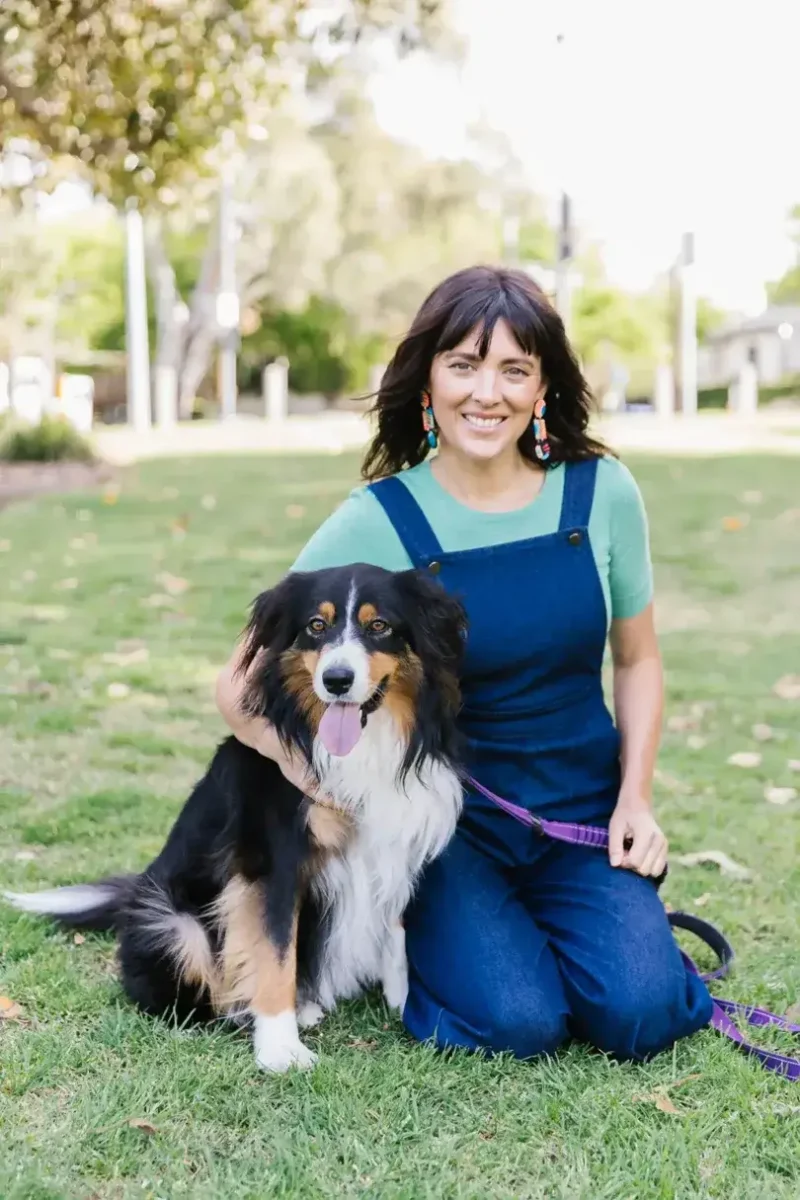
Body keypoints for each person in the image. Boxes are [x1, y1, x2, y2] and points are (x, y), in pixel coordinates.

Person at [216, 265, 713, 1061]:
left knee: (644, 1013)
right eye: (464, 365)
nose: (489, 394)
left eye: (515, 369)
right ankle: (442, 938)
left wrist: (637, 800)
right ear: (428, 379)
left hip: (580, 814)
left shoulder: (603, 491)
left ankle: (603, 936)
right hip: (444, 827)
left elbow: (639, 659)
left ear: (544, 384)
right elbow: (238, 688)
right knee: (518, 1022)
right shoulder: (377, 518)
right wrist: (315, 779)